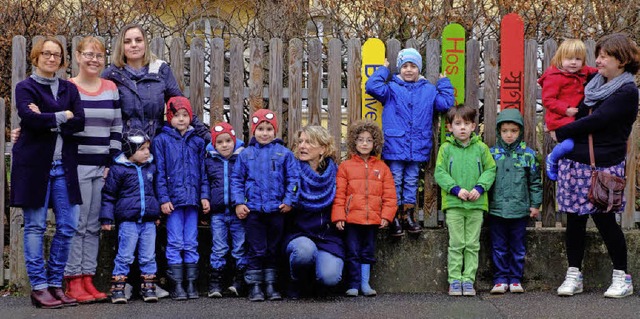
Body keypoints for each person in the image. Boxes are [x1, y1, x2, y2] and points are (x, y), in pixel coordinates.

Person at [553, 33, 639, 298]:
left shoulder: (628, 91)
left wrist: (561, 132)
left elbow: (598, 120)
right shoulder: (593, 84)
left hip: (603, 165)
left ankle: (622, 276)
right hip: (575, 162)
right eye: (598, 55)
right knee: (574, 221)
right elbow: (578, 109)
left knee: (605, 221)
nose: (598, 60)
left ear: (622, 60)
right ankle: (574, 274)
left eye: (604, 56)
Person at [12, 37, 85, 309]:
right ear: (36, 56)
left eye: (56, 55)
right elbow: (27, 117)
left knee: (67, 226)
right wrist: (61, 116)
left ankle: (55, 284)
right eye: (46, 53)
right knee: (35, 226)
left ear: (62, 60)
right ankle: (39, 288)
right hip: (34, 167)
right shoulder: (25, 88)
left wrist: (47, 118)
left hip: (63, 167)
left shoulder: (69, 88)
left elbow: (79, 122)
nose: (52, 59)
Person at [365, 48, 455, 236]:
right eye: (404, 66)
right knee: (395, 180)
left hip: (418, 145)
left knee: (412, 181)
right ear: (399, 69)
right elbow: (372, 86)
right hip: (396, 144)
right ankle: (394, 216)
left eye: (412, 66)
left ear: (419, 69)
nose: (408, 70)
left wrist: (444, 83)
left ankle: (408, 215)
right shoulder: (390, 88)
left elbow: (445, 103)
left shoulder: (429, 90)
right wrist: (383, 70)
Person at [62, 36, 122, 304]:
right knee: (76, 224)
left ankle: (88, 278)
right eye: (88, 54)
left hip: (102, 167)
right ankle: (72, 279)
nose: (93, 60)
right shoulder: (67, 88)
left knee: (93, 226)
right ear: (77, 56)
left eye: (98, 55)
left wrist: (110, 161)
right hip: (76, 166)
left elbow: (116, 128)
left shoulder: (110, 88)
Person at [231, 109, 300, 302]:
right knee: (256, 248)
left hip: (276, 211)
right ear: (253, 131)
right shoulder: (246, 155)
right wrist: (238, 202)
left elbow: (293, 179)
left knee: (273, 248)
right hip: (254, 211)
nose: (264, 133)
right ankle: (255, 285)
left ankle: (271, 284)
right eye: (260, 129)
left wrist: (288, 200)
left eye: (269, 129)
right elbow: (236, 179)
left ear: (275, 131)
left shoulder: (284, 154)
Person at [102, 23, 209, 141]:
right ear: (121, 46)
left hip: (155, 145)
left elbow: (180, 106)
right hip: (123, 146)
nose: (134, 45)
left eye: (138, 40)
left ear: (145, 44)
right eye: (127, 41)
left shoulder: (160, 70)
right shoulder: (112, 74)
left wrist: (207, 136)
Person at [434, 105, 496, 296]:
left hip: (476, 205)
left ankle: (468, 280)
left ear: (474, 126)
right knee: (457, 243)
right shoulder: (446, 149)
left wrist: (480, 187)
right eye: (457, 123)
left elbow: (490, 169)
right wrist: (455, 189)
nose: (462, 128)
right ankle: (454, 280)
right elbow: (440, 172)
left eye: (466, 124)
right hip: (454, 205)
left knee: (472, 244)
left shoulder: (481, 148)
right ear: (450, 127)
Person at [153, 96, 210, 300]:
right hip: (174, 202)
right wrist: (164, 199)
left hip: (192, 201)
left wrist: (204, 195)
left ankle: (191, 283)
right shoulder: (161, 140)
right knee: (175, 241)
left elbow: (203, 172)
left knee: (191, 241)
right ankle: (177, 284)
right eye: (176, 115)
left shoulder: (197, 141)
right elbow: (159, 172)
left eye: (185, 115)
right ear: (169, 117)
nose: (181, 119)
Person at [332, 120, 397, 297]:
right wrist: (339, 216)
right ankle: (353, 284)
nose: (364, 144)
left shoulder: (382, 168)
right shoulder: (345, 167)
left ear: (375, 143)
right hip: (351, 219)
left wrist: (387, 216)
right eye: (361, 140)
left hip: (372, 220)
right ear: (354, 142)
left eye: (369, 140)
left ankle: (365, 283)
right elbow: (339, 194)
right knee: (352, 251)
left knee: (367, 251)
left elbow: (390, 195)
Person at [100, 130, 160, 304]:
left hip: (148, 221)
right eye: (142, 149)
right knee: (125, 256)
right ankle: (118, 289)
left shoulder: (151, 167)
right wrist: (107, 218)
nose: (147, 152)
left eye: (148, 148)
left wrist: (157, 214)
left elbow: (154, 193)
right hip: (128, 222)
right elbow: (109, 195)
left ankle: (148, 287)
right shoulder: (119, 170)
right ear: (130, 151)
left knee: (148, 256)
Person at [284, 125, 344, 299]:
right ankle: (296, 280)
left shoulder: (335, 173)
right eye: (300, 141)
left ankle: (314, 282)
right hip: (298, 234)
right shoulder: (290, 170)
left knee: (330, 277)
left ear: (323, 149)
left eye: (309, 142)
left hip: (327, 236)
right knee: (304, 252)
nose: (302, 146)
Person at [488, 109, 542, 294]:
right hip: (496, 210)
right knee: (499, 246)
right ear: (498, 132)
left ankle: (516, 279)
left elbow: (535, 181)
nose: (509, 135)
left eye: (513, 131)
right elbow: (485, 180)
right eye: (505, 131)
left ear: (520, 132)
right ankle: (500, 279)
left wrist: (535, 204)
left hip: (520, 210)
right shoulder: (491, 154)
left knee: (518, 246)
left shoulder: (528, 155)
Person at [538, 39, 598, 181]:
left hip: (575, 118)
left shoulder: (583, 71)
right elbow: (548, 100)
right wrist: (565, 110)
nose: (573, 62)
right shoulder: (554, 77)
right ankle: (552, 158)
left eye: (578, 59)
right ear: (560, 59)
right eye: (569, 59)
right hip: (560, 118)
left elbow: (596, 71)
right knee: (568, 145)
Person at [204, 122, 246, 298]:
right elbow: (205, 181)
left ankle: (239, 280)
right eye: (219, 142)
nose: (224, 145)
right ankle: (216, 282)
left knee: (239, 246)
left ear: (234, 140)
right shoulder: (210, 160)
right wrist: (204, 198)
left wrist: (243, 202)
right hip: (218, 213)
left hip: (238, 213)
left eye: (228, 140)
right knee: (219, 247)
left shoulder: (241, 158)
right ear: (214, 144)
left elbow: (247, 181)